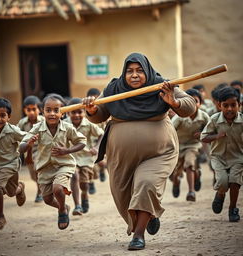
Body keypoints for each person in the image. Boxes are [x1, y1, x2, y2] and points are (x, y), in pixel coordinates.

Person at [82, 53, 196, 250]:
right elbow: (100, 114)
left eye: (139, 71)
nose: (134, 75)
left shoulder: (163, 85)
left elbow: (190, 106)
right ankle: (147, 214)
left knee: (146, 184)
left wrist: (173, 102)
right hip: (121, 157)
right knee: (123, 195)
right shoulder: (114, 88)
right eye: (130, 71)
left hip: (159, 153)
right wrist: (91, 110)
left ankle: (138, 234)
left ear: (148, 71)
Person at [19, 94, 86, 230]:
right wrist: (29, 144)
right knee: (47, 199)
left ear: (62, 113)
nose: (52, 113)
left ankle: (62, 211)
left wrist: (66, 151)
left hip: (64, 165)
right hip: (45, 168)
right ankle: (64, 206)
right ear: (42, 111)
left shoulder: (67, 127)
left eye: (56, 110)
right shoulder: (37, 128)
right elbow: (21, 147)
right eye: (48, 110)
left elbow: (82, 142)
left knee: (58, 188)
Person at [201, 87, 243, 222]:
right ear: (219, 105)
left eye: (233, 105)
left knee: (235, 182)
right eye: (226, 105)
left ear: (239, 105)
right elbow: (204, 138)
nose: (230, 109)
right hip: (218, 157)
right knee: (223, 182)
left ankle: (233, 208)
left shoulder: (242, 121)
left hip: (238, 157)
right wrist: (216, 136)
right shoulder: (214, 119)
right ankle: (220, 195)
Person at [0, 98, 26, 230]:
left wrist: (33, 141)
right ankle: (20, 188)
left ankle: (0, 216)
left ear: (8, 117)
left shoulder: (13, 131)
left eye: (2, 115)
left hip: (11, 164)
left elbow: (26, 137)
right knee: (11, 192)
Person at [64, 97, 103, 214]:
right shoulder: (64, 124)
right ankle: (77, 206)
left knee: (84, 184)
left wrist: (96, 148)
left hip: (86, 158)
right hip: (71, 157)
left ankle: (84, 196)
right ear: (68, 113)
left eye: (79, 112)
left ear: (84, 112)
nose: (76, 115)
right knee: (74, 176)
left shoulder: (89, 123)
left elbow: (101, 134)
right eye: (73, 112)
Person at [171, 89, 210, 201]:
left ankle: (191, 192)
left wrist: (203, 134)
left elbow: (211, 129)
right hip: (178, 146)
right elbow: (170, 130)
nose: (193, 104)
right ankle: (178, 181)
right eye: (190, 101)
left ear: (200, 103)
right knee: (175, 172)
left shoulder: (203, 117)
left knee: (189, 164)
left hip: (193, 146)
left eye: (195, 101)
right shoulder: (179, 117)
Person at [17, 95, 45, 203]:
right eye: (29, 110)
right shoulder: (22, 123)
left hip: (42, 151)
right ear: (25, 110)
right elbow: (17, 136)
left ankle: (40, 192)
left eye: (34, 109)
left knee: (39, 171)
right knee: (34, 176)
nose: (32, 112)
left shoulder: (44, 121)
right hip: (29, 153)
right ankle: (40, 188)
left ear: (39, 109)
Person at [86, 88, 107, 194]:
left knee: (102, 163)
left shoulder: (104, 113)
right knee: (90, 166)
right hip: (91, 144)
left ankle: (102, 170)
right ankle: (91, 182)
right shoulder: (87, 115)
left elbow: (104, 131)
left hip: (102, 141)